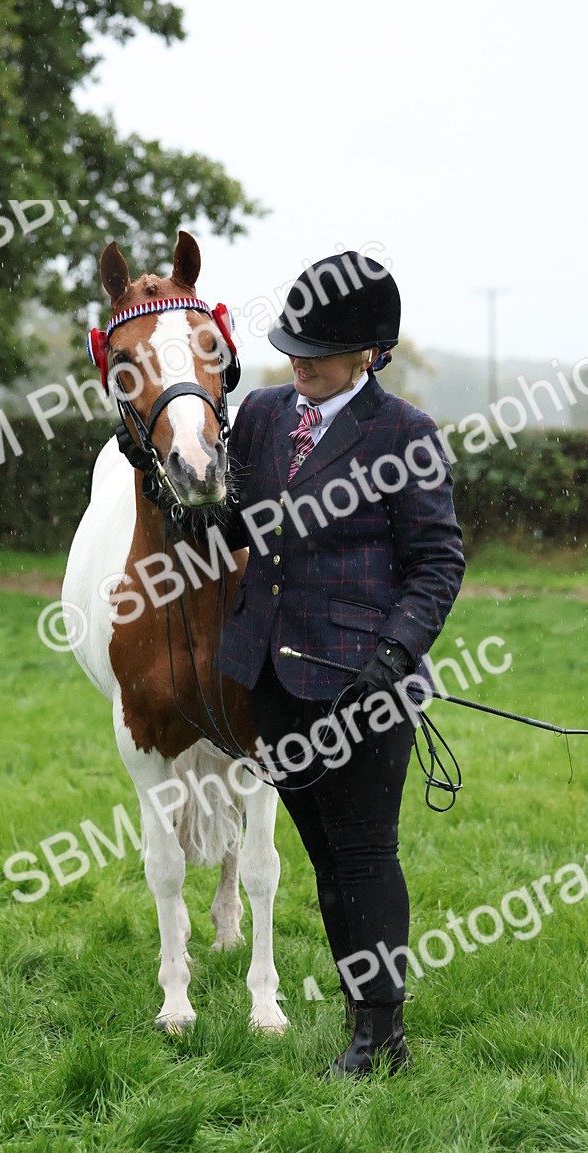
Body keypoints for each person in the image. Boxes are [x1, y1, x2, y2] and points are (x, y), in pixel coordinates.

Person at [216, 252, 465, 1077]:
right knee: (325, 857)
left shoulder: (404, 435)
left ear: (370, 354)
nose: (300, 362)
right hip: (274, 677)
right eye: (294, 346)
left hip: (364, 686)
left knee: (364, 855)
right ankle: (365, 1016)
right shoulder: (260, 415)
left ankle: (381, 1038)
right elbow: (229, 528)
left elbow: (437, 562)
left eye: (318, 351)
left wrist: (394, 655)